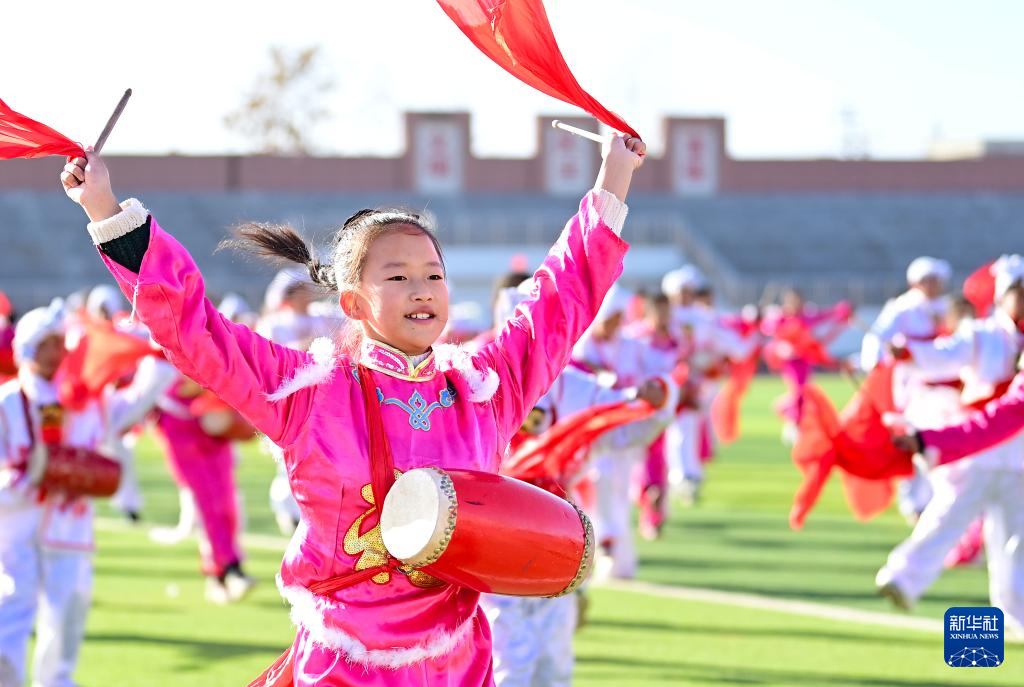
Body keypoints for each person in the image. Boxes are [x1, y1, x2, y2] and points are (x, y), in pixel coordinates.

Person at [60, 131, 645, 685]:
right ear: (353, 303)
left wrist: (614, 176)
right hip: (345, 662)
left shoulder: (483, 390)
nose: (422, 288)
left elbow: (559, 302)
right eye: (399, 276)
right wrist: (105, 208)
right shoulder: (309, 392)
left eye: (434, 274)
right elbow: (197, 332)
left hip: (457, 664)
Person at [0, 300, 173, 686]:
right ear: (27, 348)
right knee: (10, 609)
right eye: (45, 344)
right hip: (16, 525)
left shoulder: (88, 401)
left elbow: (137, 401)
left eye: (58, 343)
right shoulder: (9, 400)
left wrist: (157, 350)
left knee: (67, 614)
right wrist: (29, 479)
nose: (54, 352)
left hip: (69, 527)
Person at [876, 257, 1024, 632]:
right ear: (1003, 296)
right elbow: (943, 355)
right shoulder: (981, 334)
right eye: (1019, 293)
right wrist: (910, 352)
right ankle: (903, 578)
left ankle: (1017, 613)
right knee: (946, 516)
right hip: (975, 449)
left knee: (1015, 541)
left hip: (1015, 455)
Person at [861, 256, 955, 523]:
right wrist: (874, 366)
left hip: (946, 386)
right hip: (913, 388)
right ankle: (914, 502)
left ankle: (938, 501)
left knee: (941, 442)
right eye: (928, 280)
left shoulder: (946, 306)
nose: (933, 285)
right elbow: (877, 339)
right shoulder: (902, 308)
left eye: (936, 280)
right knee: (914, 442)